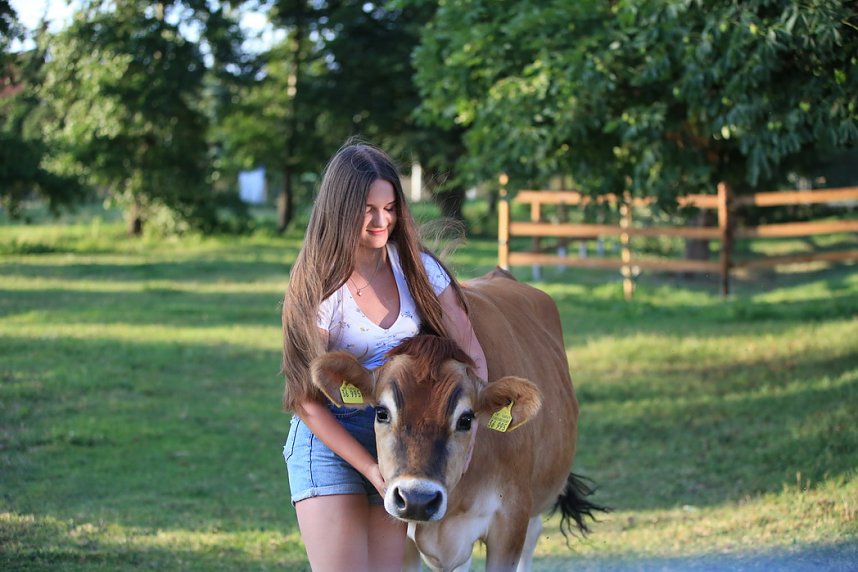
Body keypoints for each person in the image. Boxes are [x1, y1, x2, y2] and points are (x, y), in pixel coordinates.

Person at [280, 141, 488, 571]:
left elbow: (471, 355)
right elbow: (304, 399)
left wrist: (467, 435)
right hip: (330, 437)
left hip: (403, 440)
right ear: (340, 210)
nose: (382, 221)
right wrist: (371, 469)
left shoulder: (418, 269)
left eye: (390, 208)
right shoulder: (319, 284)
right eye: (368, 210)